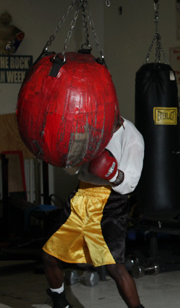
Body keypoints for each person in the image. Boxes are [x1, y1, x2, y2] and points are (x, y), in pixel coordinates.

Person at [43, 116, 145, 308]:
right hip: (81, 196)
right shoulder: (89, 129)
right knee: (50, 253)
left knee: (114, 266)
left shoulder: (132, 138)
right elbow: (72, 169)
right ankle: (60, 302)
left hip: (110, 202)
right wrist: (66, 158)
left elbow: (130, 184)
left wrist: (112, 173)